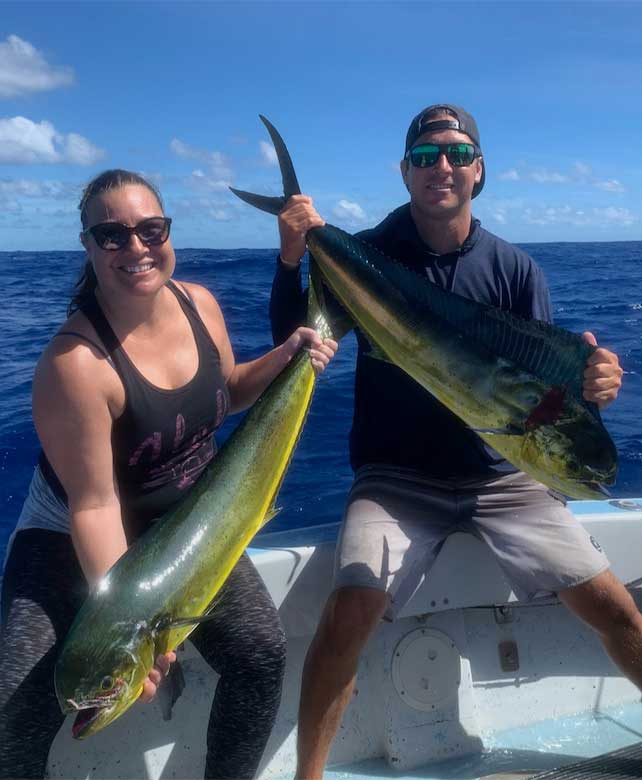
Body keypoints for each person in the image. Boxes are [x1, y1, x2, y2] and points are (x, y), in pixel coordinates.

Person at [269, 104, 637, 780]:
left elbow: (550, 389)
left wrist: (597, 383)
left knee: (619, 610)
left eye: (457, 153)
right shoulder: (370, 254)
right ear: (405, 172)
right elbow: (297, 340)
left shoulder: (516, 269)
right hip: (397, 478)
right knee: (347, 614)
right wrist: (293, 258)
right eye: (425, 156)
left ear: (479, 169)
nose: (442, 166)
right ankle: (308, 777)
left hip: (504, 475)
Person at [0, 168, 338, 780]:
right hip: (73, 534)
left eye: (150, 229)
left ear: (167, 232)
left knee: (260, 653)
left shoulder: (199, 303)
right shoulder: (74, 364)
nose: (136, 248)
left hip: (186, 521)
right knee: (15, 709)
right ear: (88, 245)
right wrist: (129, 631)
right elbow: (95, 508)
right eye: (113, 236)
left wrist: (289, 355)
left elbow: (228, 392)